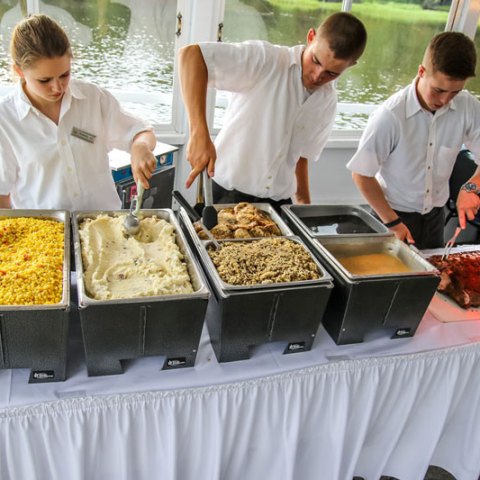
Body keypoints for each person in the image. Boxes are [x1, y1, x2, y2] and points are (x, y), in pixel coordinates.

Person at [178, 12, 367, 210]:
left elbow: (300, 157)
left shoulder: (327, 101)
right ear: (311, 37)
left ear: (351, 65)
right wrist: (198, 133)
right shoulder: (267, 60)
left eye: (331, 73)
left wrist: (304, 208)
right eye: (316, 61)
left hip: (279, 204)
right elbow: (191, 55)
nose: (317, 75)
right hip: (226, 195)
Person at [0, 14, 156, 211]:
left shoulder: (94, 98)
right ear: (19, 71)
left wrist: (140, 147)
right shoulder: (5, 119)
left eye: (64, 75)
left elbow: (141, 132)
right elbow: (1, 195)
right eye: (44, 80)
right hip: (45, 234)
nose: (57, 87)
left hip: (104, 225)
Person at [347, 31, 480, 249]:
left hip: (436, 216)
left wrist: (471, 187)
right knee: (392, 281)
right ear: (421, 71)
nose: (445, 100)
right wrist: (393, 223)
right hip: (390, 214)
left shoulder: (469, 107)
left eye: (455, 92)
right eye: (438, 90)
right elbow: (361, 174)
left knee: (435, 279)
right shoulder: (389, 116)